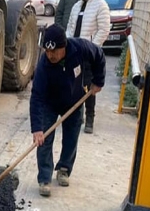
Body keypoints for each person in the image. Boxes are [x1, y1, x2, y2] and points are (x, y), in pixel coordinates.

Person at [30, 24, 106, 197]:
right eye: (47, 52)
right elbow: (36, 97)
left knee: (71, 137)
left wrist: (98, 81)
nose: (50, 55)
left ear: (63, 47)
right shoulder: (44, 64)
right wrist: (37, 128)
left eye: (54, 51)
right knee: (44, 140)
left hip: (75, 101)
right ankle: (44, 178)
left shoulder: (80, 48)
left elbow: (99, 56)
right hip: (50, 104)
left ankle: (64, 169)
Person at [64, 0, 110, 134]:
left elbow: (104, 29)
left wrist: (92, 48)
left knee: (90, 88)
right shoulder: (76, 6)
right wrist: (68, 45)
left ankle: (90, 118)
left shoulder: (100, 5)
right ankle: (78, 115)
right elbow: (70, 27)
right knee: (74, 85)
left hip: (90, 55)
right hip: (74, 53)